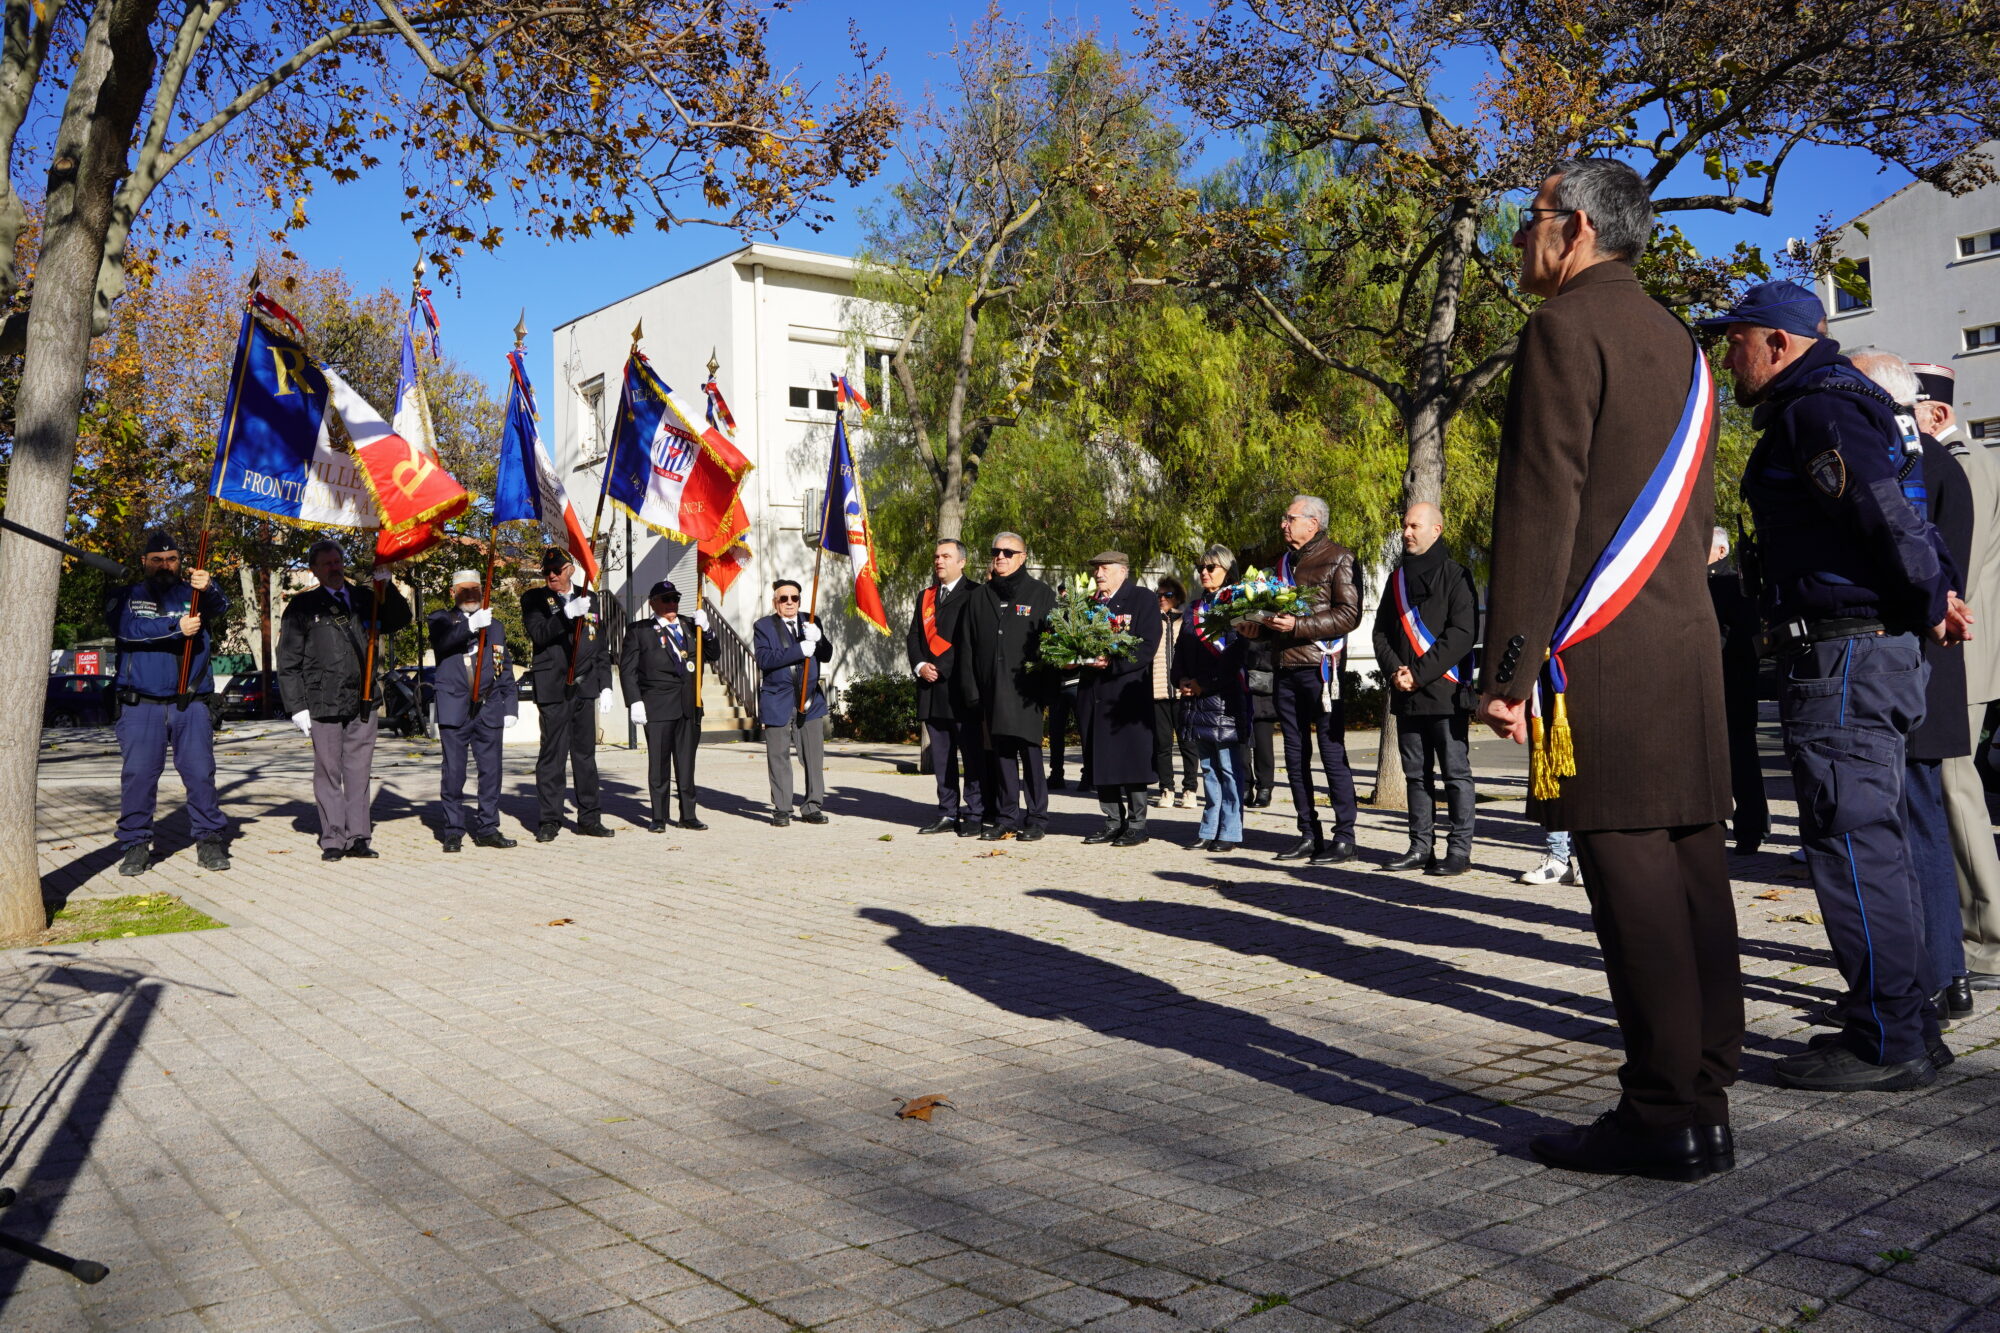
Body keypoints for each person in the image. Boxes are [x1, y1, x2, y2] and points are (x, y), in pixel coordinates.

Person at [1480, 158, 1738, 1180]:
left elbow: (1540, 508)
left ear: (1574, 228)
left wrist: (1508, 665)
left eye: (1529, 218)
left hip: (1605, 649)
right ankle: (1705, 1092)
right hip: (1682, 640)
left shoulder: (1561, 330)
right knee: (1690, 864)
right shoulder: (1678, 339)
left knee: (1625, 867)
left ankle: (1660, 1112)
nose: (1519, 235)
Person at [1717, 278, 1968, 1093]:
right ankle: (1907, 1023)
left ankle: (1887, 1037)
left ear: (1778, 344)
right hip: (1866, 652)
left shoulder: (1815, 409)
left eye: (1737, 340)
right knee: (1875, 844)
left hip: (1846, 657)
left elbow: (1881, 509)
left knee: (1853, 845)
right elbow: (1905, 509)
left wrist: (1930, 593)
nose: (1728, 357)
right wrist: (1935, 591)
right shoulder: (1848, 400)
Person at [1853, 350, 1976, 1026]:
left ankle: (1932, 976)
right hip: (1930, 668)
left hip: (1911, 665)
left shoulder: (1911, 464)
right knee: (1922, 824)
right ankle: (1948, 974)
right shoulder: (1935, 463)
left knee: (1911, 829)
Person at [1920, 363, 2000, 998]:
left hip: (1961, 653)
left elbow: (1956, 579)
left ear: (1938, 414)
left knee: (1956, 791)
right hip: (1964, 655)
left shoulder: (1963, 464)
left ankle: (1987, 942)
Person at [1239, 495, 1361, 864]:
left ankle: (1345, 837)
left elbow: (1349, 614)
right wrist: (1251, 626)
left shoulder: (1340, 557)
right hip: (1285, 668)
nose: (1283, 524)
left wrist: (1299, 626)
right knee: (1294, 756)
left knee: (1331, 753)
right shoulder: (1281, 564)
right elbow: (1273, 618)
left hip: (1320, 670)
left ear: (1313, 523)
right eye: (1284, 518)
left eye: (1289, 518)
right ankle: (1308, 833)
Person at [277, 538, 413, 860]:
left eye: (337, 562)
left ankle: (358, 837)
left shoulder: (366, 599)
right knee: (328, 772)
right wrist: (297, 707)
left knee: (359, 771)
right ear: (314, 570)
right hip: (322, 700)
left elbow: (399, 619)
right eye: (326, 564)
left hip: (363, 698)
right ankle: (333, 839)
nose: (334, 568)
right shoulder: (302, 607)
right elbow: (288, 660)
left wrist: (386, 585)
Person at [111, 528, 231, 875]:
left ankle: (209, 841)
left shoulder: (194, 594)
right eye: (158, 560)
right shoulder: (128, 596)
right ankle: (135, 845)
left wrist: (209, 586)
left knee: (199, 774)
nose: (166, 565)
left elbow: (221, 606)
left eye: (172, 559)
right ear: (144, 562)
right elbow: (128, 631)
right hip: (140, 705)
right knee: (138, 777)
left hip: (189, 703)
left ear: (181, 562)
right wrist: (175, 626)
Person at [1371, 502, 1479, 875]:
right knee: (1416, 775)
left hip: (1446, 694)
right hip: (1406, 693)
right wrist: (1396, 673)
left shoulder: (1457, 576)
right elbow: (1381, 632)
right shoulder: (1396, 579)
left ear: (1436, 530)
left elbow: (1462, 635)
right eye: (1404, 525)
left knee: (1454, 774)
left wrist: (1418, 673)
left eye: (1415, 525)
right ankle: (1420, 847)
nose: (1406, 532)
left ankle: (1459, 852)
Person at [965, 532, 1059, 841]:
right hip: (991, 691)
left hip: (1027, 691)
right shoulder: (980, 596)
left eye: (1008, 551)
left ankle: (1036, 818)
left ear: (1022, 557)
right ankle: (1006, 816)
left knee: (1031, 755)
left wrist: (1046, 691)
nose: (1000, 556)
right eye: (996, 551)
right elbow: (967, 646)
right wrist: (973, 691)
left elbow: (1053, 645)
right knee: (1002, 756)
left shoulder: (1040, 593)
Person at [521, 547, 615, 842]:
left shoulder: (591, 599)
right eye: (546, 572)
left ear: (571, 569)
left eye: (557, 570)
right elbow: (538, 634)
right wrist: (565, 615)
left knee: (585, 757)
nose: (551, 575)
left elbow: (599, 645)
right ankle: (550, 819)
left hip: (584, 687)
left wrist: (606, 683)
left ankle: (589, 817)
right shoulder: (535, 599)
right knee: (552, 756)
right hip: (553, 688)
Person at [428, 570, 520, 853]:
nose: (470, 594)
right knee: (454, 773)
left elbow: (502, 665)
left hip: (489, 707)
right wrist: (470, 627)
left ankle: (488, 828)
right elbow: (444, 643)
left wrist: (510, 704)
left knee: (491, 772)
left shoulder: (495, 626)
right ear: (453, 593)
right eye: (464, 590)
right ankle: (453, 830)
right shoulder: (440, 619)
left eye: (475, 589)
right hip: (454, 706)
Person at [1076, 552, 1162, 846]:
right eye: (1096, 568)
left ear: (1123, 571)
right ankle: (1112, 821)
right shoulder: (1088, 604)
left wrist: (1112, 664)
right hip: (1092, 691)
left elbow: (1147, 645)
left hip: (1125, 694)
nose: (1098, 573)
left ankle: (1138, 825)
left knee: (1132, 759)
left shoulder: (1142, 599)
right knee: (1100, 759)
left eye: (1104, 568)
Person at [1173, 545, 1252, 850]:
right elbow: (1181, 650)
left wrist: (1205, 683)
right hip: (1196, 700)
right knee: (1208, 769)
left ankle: (1230, 831)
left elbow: (1237, 655)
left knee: (1229, 769)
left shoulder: (1239, 606)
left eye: (1211, 568)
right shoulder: (1194, 609)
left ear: (1228, 572)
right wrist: (1180, 678)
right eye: (1201, 568)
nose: (1204, 573)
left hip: (1225, 699)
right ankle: (1208, 828)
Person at [619, 579, 714, 832]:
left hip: (689, 704)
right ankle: (659, 817)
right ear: (653, 603)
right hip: (657, 705)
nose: (672, 604)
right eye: (666, 599)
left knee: (686, 763)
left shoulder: (690, 626)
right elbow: (627, 671)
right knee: (659, 764)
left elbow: (713, 653)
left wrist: (708, 630)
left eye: (675, 599)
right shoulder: (640, 630)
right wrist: (634, 701)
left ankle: (688, 815)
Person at [907, 539, 986, 835]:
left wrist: (941, 666)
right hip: (932, 690)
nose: (939, 561)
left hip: (963, 689)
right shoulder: (925, 596)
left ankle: (976, 812)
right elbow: (914, 636)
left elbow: (972, 640)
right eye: (937, 556)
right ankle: (947, 812)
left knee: (972, 755)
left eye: (946, 556)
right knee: (941, 757)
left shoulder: (977, 593)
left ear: (962, 562)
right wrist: (919, 666)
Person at [1706, 527, 1769, 855]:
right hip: (1716, 684)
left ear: (1720, 550)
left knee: (1741, 760)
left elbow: (1743, 636)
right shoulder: (1709, 581)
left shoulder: (1733, 583)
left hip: (1732, 683)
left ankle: (1751, 829)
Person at [755, 579, 832, 825]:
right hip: (777, 699)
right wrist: (800, 650)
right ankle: (782, 809)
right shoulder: (763, 626)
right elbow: (765, 659)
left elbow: (827, 655)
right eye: (783, 598)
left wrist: (818, 639)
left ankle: (812, 807)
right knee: (778, 756)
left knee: (813, 756)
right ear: (775, 602)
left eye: (794, 598)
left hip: (809, 700)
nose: (789, 602)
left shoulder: (811, 621)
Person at [1150, 576, 1200, 809]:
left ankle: (1190, 789)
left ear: (1178, 597)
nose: (1162, 599)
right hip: (1157, 691)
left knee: (1188, 743)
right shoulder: (1150, 622)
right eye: (1159, 595)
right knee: (1162, 745)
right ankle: (1166, 789)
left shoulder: (1187, 621)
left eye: (1167, 595)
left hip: (1183, 693)